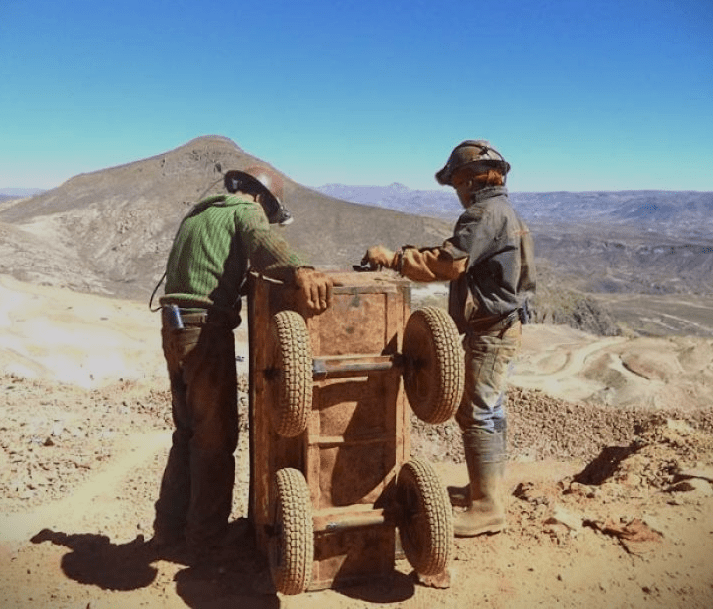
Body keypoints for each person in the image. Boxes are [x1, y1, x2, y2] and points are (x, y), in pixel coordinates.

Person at [152, 165, 332, 555]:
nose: (266, 216)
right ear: (263, 198)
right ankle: (206, 542)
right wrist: (299, 269)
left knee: (187, 434)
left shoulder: (200, 212)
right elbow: (261, 241)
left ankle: (168, 530)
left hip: (173, 328)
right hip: (204, 331)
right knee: (215, 440)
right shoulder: (246, 210)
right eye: (269, 210)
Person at [363, 140, 535, 537]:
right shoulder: (505, 211)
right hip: (503, 324)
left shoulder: (482, 214)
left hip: (492, 329)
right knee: (490, 409)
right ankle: (486, 491)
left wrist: (395, 259)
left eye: (457, 183)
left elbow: (449, 262)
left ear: (470, 179)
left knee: (476, 411)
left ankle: (487, 508)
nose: (456, 193)